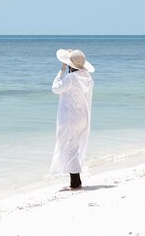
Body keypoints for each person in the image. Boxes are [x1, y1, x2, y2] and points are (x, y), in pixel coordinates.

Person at [50, 49, 95, 189]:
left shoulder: (70, 78)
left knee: (71, 148)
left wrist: (61, 72)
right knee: (75, 148)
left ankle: (75, 182)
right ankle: (77, 180)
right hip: (82, 117)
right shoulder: (87, 78)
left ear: (70, 65)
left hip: (71, 118)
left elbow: (55, 89)